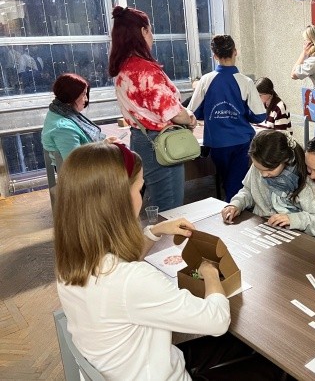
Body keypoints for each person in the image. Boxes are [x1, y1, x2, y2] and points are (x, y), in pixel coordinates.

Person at [54, 142, 281, 380]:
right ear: (120, 200)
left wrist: (156, 231)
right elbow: (217, 321)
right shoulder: (134, 280)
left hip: (134, 366)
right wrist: (211, 273)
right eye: (140, 189)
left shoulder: (71, 262)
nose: (142, 198)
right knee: (275, 369)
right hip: (164, 374)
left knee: (242, 349)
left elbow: (122, 266)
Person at [110, 6, 196, 212]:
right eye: (150, 30)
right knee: (170, 207)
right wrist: (190, 118)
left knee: (155, 202)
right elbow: (173, 112)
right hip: (160, 142)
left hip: (140, 139)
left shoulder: (123, 68)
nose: (153, 36)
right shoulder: (145, 70)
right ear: (143, 31)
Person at [188, 35, 266, 202]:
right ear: (235, 52)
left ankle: (230, 208)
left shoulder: (205, 80)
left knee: (226, 181)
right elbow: (259, 116)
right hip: (241, 142)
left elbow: (193, 112)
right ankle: (233, 209)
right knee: (236, 184)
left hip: (217, 143)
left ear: (215, 56)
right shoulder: (246, 82)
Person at [221, 130, 315, 237]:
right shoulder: (261, 164)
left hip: (293, 235)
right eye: (258, 168)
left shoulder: (305, 179)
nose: (263, 174)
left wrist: (293, 219)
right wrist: (236, 204)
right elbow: (248, 191)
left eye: (269, 170)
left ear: (285, 160)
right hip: (262, 227)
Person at [41, 73, 106, 164]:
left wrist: (106, 143)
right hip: (83, 169)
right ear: (71, 96)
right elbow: (76, 165)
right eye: (83, 94)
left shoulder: (57, 110)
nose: (86, 99)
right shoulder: (63, 129)